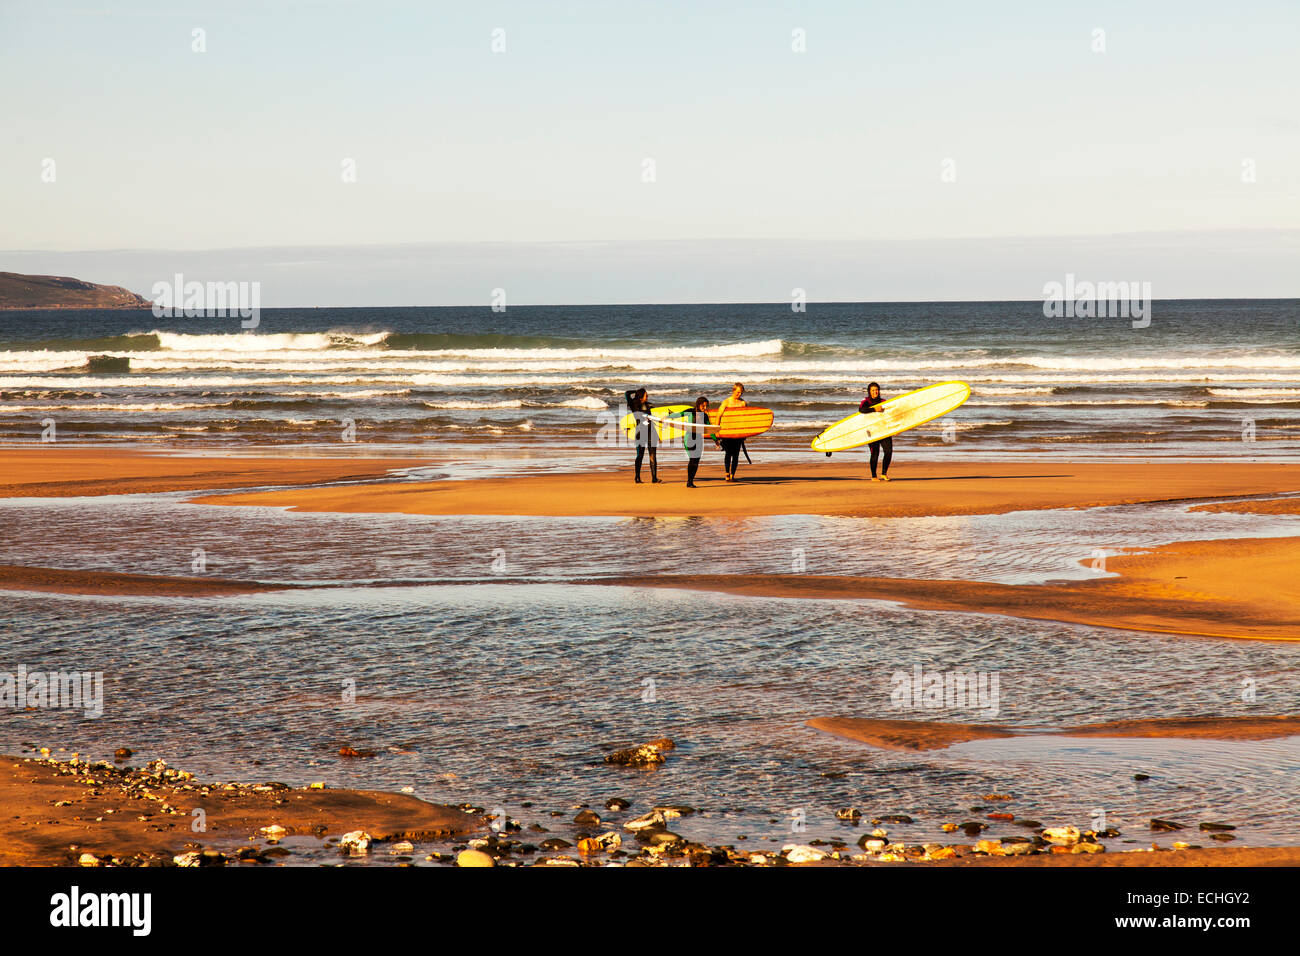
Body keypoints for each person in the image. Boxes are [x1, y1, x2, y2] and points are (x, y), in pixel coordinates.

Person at [667, 396, 715, 487]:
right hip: (689, 438)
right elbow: (679, 415)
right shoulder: (691, 411)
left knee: (696, 461)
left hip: (699, 439)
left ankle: (691, 480)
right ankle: (689, 481)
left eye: (706, 406)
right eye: (703, 406)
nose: (705, 408)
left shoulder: (704, 416)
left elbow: (710, 429)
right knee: (692, 459)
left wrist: (715, 440)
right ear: (699, 404)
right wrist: (667, 417)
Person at [624, 386, 662, 483]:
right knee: (640, 455)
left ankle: (654, 478)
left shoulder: (647, 405)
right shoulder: (634, 405)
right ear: (641, 396)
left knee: (653, 455)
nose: (647, 396)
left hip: (651, 432)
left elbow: (650, 419)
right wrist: (636, 391)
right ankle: (637, 477)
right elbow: (627, 393)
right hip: (641, 433)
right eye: (646, 395)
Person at [859, 381, 891, 481]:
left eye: (876, 390)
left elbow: (890, 415)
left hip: (883, 430)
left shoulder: (883, 401)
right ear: (869, 391)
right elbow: (861, 410)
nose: (875, 392)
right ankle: (873, 476)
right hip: (871, 431)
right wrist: (874, 409)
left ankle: (884, 473)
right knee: (875, 453)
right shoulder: (866, 401)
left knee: (888, 451)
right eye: (873, 390)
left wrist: (895, 429)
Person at [716, 382, 747, 481]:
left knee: (736, 454)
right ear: (733, 390)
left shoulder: (743, 403)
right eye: (738, 392)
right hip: (727, 432)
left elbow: (745, 418)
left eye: (741, 393)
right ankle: (727, 474)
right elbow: (718, 416)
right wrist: (716, 430)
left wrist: (745, 432)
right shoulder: (727, 402)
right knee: (728, 453)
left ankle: (733, 475)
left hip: (738, 433)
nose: (739, 394)